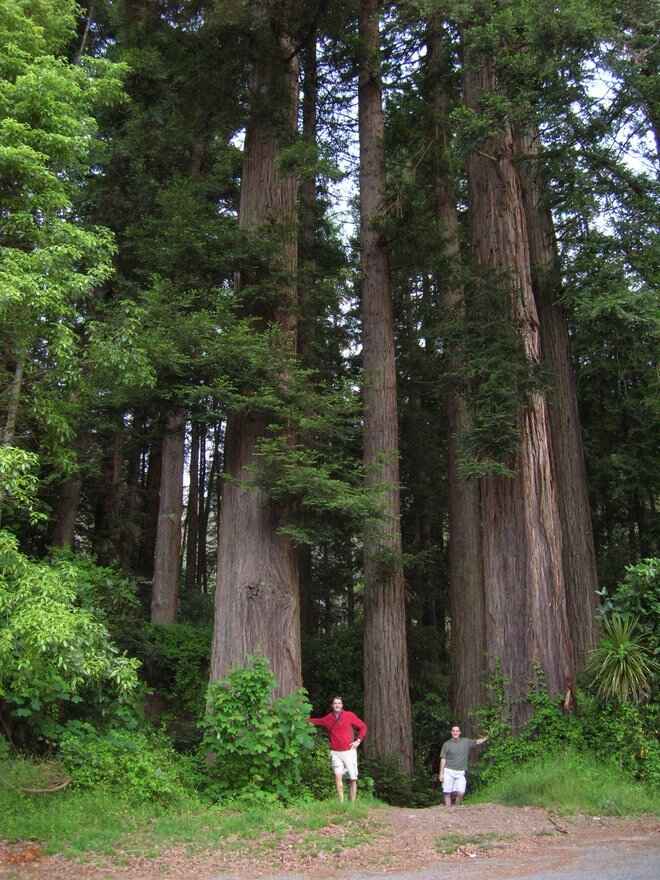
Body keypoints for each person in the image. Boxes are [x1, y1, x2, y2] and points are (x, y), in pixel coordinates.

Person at [309, 696, 367, 802]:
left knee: (353, 778)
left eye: (339, 703)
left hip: (349, 752)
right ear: (332, 705)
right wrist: (298, 718)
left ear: (342, 705)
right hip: (335, 753)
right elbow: (316, 721)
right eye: (335, 703)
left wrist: (358, 741)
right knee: (337, 776)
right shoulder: (328, 718)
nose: (337, 705)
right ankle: (341, 803)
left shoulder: (349, 715)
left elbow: (363, 726)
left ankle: (352, 805)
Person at [438, 724, 488, 806]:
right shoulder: (446, 744)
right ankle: (448, 810)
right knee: (447, 792)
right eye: (453, 731)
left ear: (460, 732)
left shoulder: (465, 742)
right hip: (448, 770)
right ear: (451, 732)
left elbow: (477, 742)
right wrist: (441, 773)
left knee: (461, 792)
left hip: (460, 772)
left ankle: (456, 807)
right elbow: (443, 759)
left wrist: (487, 737)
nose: (455, 732)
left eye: (457, 731)